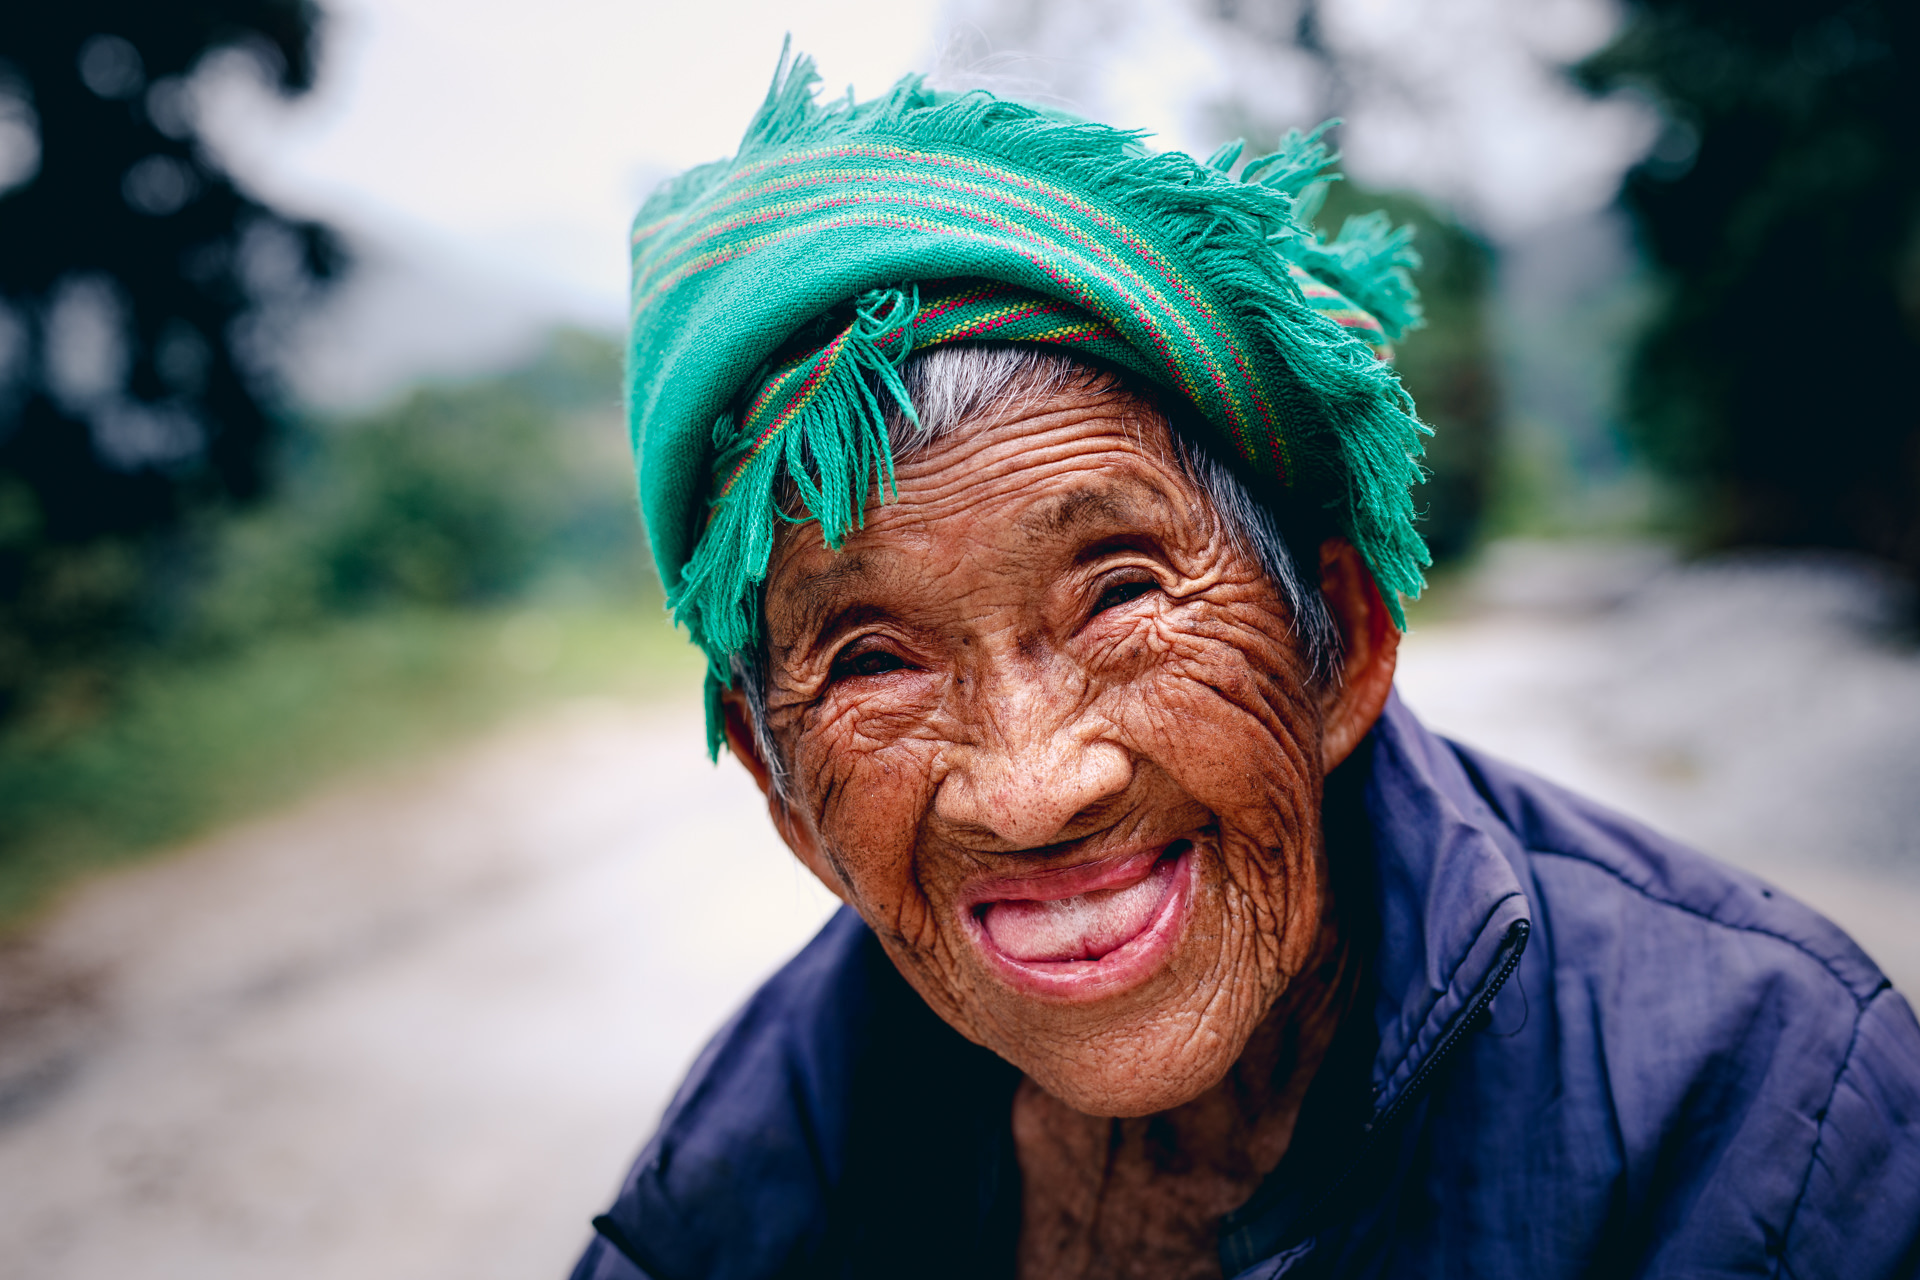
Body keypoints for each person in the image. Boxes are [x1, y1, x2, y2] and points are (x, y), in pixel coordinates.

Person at [570, 49, 1920, 1280]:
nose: (1035, 787)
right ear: (777, 783)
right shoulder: (754, 1169)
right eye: (873, 661)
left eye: (1119, 596)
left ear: (1341, 644)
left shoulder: (1764, 1110)